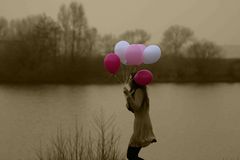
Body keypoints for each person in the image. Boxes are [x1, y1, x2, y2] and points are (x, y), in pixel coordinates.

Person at [123, 72, 157, 160]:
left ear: (135, 81)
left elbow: (137, 106)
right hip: (141, 123)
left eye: (131, 79)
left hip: (141, 124)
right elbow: (134, 109)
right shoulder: (139, 91)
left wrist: (128, 96)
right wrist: (128, 97)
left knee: (131, 155)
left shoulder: (139, 91)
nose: (129, 81)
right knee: (132, 155)